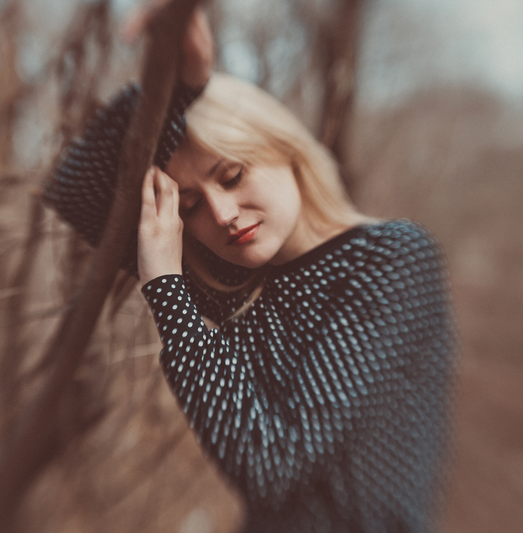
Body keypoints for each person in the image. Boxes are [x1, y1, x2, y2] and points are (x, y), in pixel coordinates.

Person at [44, 5, 455, 532]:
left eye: (233, 175)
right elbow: (76, 192)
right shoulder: (232, 285)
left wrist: (166, 291)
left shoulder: (391, 258)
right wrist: (185, 87)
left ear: (285, 150)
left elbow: (273, 463)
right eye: (191, 204)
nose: (222, 214)